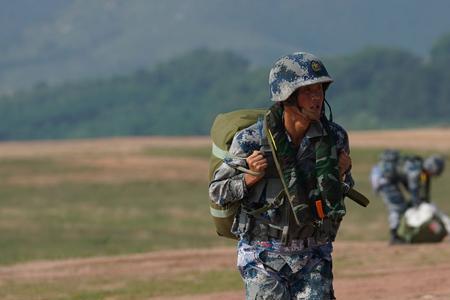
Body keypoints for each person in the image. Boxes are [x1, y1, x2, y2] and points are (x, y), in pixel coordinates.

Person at [209, 52, 354, 299]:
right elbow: (217, 191)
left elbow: (341, 192)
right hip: (263, 256)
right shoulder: (251, 140)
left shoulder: (334, 138)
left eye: (319, 89)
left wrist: (340, 175)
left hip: (313, 255)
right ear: (286, 95)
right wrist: (249, 179)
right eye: (308, 91)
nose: (317, 97)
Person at [371, 150, 446, 244]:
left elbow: (421, 191)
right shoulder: (416, 170)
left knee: (402, 206)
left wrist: (420, 202)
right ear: (432, 168)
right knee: (397, 207)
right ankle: (395, 237)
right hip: (382, 178)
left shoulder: (421, 171)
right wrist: (416, 204)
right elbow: (413, 188)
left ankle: (399, 235)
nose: (433, 175)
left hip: (385, 177)